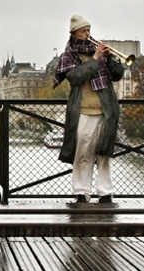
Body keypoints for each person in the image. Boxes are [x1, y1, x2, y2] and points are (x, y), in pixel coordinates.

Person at [53, 14, 125, 204]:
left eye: (89, 30)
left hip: (106, 111)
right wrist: (95, 59)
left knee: (104, 153)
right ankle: (82, 191)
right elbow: (76, 77)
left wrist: (109, 59)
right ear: (74, 33)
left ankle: (105, 192)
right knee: (82, 154)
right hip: (83, 111)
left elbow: (117, 75)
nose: (88, 34)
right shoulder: (68, 55)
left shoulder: (100, 53)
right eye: (84, 31)